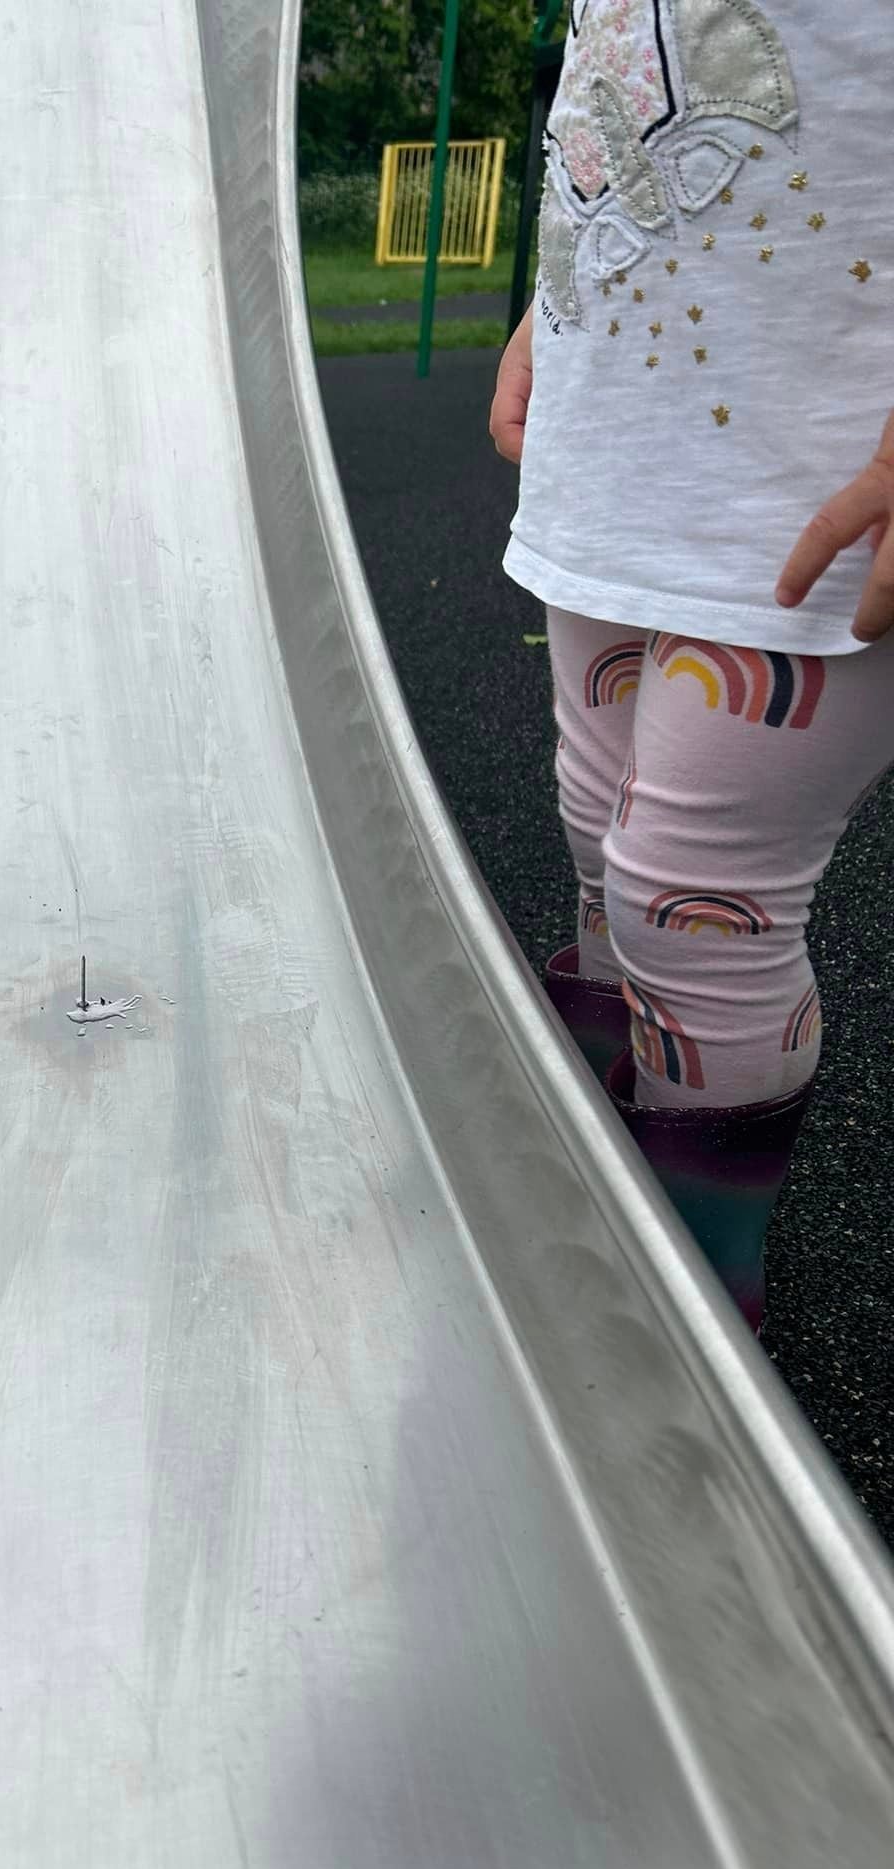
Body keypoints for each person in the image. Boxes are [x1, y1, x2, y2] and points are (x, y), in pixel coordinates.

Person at [488, 0, 894, 1332]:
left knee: (693, 895)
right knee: (597, 827)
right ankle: (602, 1147)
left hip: (827, 460)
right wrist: (566, 303)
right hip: (631, 423)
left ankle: (692, 1305)